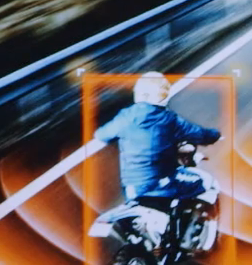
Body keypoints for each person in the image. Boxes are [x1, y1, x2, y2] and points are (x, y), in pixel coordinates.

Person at [94, 71, 222, 205]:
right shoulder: (170, 119)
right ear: (163, 96)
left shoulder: (125, 116)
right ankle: (203, 224)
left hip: (132, 187)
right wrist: (215, 135)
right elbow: (199, 134)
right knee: (207, 182)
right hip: (162, 184)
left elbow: (102, 135)